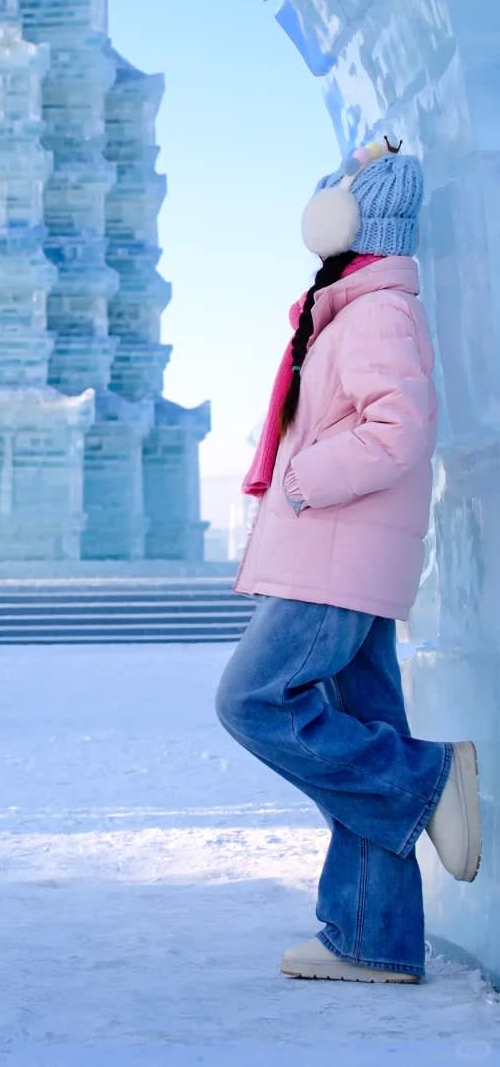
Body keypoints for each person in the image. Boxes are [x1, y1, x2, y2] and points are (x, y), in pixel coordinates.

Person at [215, 137, 481, 984]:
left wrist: (302, 477)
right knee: (362, 719)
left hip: (336, 552)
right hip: (343, 550)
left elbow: (398, 427)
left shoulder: (374, 310)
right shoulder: (351, 306)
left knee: (253, 700)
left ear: (353, 220)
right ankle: (374, 935)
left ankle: (426, 776)